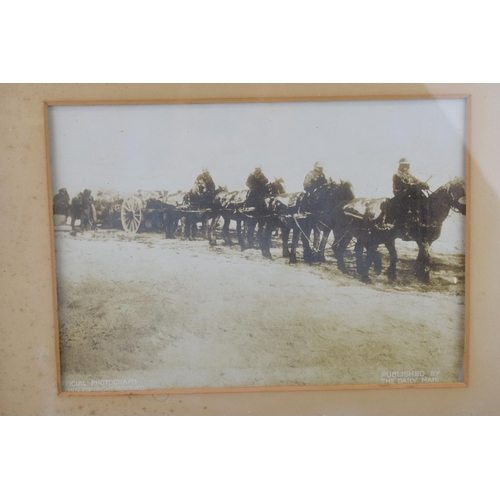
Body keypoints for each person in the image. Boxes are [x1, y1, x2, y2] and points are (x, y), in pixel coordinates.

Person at [390, 158, 429, 226]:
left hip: (409, 192)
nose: (408, 167)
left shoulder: (409, 175)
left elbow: (416, 180)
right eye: (406, 166)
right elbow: (403, 185)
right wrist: (413, 185)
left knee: (419, 193)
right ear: (401, 166)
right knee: (415, 190)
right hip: (400, 193)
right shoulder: (397, 175)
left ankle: (423, 212)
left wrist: (423, 184)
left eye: (408, 165)